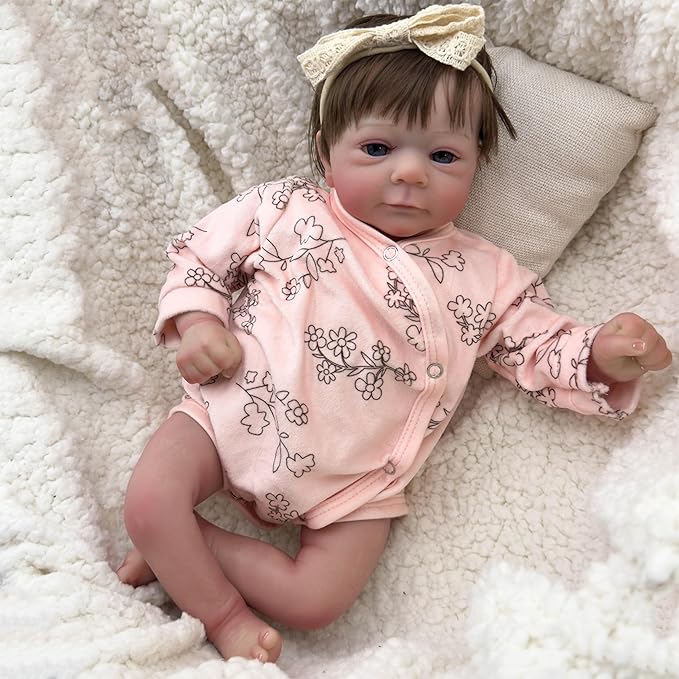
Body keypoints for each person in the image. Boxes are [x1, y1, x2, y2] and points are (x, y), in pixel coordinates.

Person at [116, 4, 672, 664]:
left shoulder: (484, 273)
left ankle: (184, 550)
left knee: (315, 600)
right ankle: (222, 611)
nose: (409, 173)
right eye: (377, 149)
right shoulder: (286, 209)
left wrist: (600, 355)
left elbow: (537, 346)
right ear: (326, 153)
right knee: (149, 499)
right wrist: (199, 321)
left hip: (359, 479)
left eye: (443, 155)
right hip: (233, 405)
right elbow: (199, 258)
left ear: (477, 165)